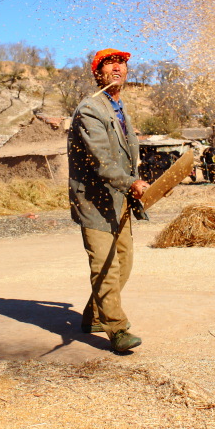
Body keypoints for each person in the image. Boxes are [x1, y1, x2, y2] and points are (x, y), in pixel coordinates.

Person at [67, 49, 150, 353]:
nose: (118, 67)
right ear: (97, 73)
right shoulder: (90, 109)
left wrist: (134, 187)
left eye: (123, 63)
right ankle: (117, 329)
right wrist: (131, 183)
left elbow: (126, 157)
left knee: (124, 263)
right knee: (105, 266)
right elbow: (102, 160)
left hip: (120, 201)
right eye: (110, 63)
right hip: (93, 201)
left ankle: (92, 317)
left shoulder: (119, 108)